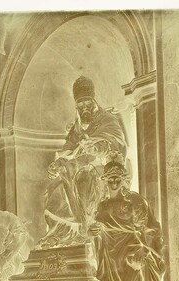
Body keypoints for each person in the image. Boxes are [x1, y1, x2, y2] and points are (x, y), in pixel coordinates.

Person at [89, 153, 166, 281]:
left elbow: (151, 230)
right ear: (104, 180)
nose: (114, 181)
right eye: (110, 178)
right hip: (109, 258)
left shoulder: (135, 200)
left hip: (131, 256)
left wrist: (145, 250)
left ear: (123, 179)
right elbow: (98, 229)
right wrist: (94, 232)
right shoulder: (102, 205)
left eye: (117, 177)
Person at [38, 75, 128, 249]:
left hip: (101, 170)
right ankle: (63, 234)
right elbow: (68, 147)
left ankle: (87, 229)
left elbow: (116, 142)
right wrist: (58, 164)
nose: (84, 108)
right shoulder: (77, 127)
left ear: (94, 102)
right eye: (80, 105)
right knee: (52, 191)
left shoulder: (107, 119)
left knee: (84, 177)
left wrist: (96, 147)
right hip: (73, 169)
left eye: (87, 104)